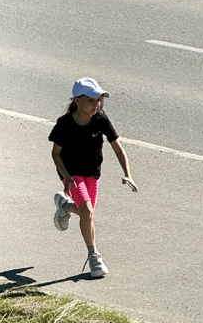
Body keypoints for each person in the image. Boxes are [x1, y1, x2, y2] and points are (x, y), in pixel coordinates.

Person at [50, 76, 138, 279]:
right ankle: (94, 258)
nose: (96, 104)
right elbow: (55, 153)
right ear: (77, 101)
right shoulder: (65, 124)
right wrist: (67, 178)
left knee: (86, 214)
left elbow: (118, 148)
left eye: (98, 99)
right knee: (87, 212)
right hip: (71, 173)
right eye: (91, 100)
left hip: (92, 173)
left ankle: (64, 206)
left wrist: (128, 174)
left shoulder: (101, 119)